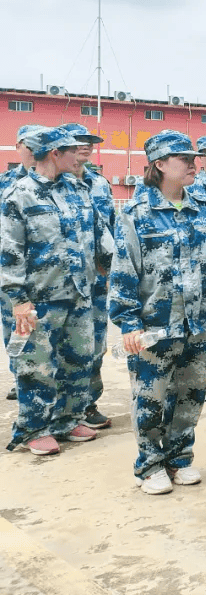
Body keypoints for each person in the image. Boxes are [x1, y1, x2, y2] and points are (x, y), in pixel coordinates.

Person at [109, 131, 206, 493]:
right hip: (154, 325)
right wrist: (128, 322)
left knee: (190, 395)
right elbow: (124, 271)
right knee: (150, 398)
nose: (192, 164)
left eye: (193, 158)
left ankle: (179, 457)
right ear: (159, 164)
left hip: (197, 323)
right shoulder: (137, 214)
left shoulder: (203, 208)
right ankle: (150, 464)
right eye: (183, 158)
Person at [2, 127, 112, 456]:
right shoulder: (20, 194)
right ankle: (35, 428)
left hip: (78, 294)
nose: (79, 155)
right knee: (37, 366)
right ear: (55, 153)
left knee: (78, 360)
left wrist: (112, 270)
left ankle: (67, 420)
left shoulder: (77, 189)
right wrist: (18, 300)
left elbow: (100, 237)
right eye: (71, 150)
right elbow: (9, 252)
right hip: (39, 298)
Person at [58, 123, 115, 431]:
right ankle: (60, 411)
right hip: (64, 282)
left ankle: (87, 403)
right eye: (78, 141)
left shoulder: (100, 184)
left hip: (98, 280)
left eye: (89, 141)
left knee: (95, 344)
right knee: (64, 347)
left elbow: (111, 227)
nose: (85, 145)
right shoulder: (55, 184)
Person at [1, 124, 46, 401]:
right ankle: (21, 380)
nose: (34, 150)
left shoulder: (57, 181)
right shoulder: (5, 183)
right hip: (13, 273)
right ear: (18, 146)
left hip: (48, 276)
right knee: (16, 330)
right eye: (29, 144)